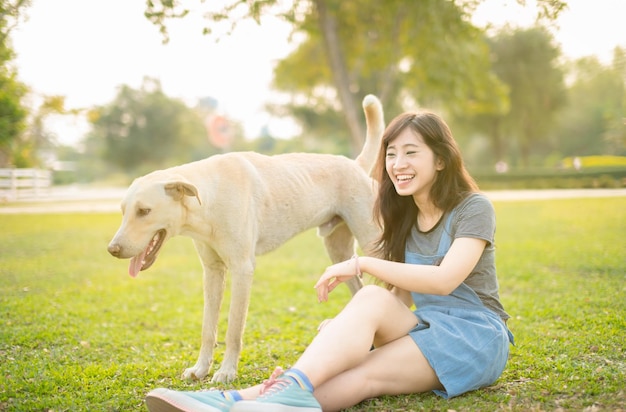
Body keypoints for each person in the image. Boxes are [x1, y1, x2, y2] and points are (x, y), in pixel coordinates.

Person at [145, 110, 514, 412]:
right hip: (426, 326)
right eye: (391, 154)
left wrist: (361, 264)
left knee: (361, 376)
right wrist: (347, 329)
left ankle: (243, 403)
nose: (397, 163)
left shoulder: (473, 208)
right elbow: (396, 299)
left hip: (475, 336)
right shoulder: (404, 216)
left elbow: (444, 281)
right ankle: (242, 400)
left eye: (411, 152)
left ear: (442, 159)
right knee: (366, 306)